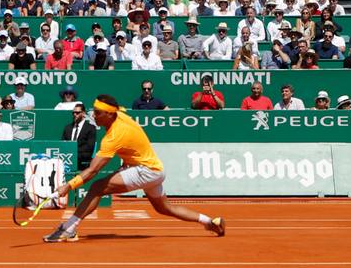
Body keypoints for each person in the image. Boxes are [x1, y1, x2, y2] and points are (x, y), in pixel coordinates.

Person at [45, 95, 224, 242]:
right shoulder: (120, 114)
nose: (93, 115)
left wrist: (68, 186)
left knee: (97, 187)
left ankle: (68, 228)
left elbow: (93, 170)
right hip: (155, 170)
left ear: (108, 115)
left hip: (146, 171)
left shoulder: (114, 136)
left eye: (98, 113)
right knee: (164, 208)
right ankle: (210, 222)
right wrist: (127, 161)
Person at [63, 102, 97, 169]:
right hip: (68, 161)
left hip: (83, 162)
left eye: (77, 113)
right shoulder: (67, 128)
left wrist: (74, 152)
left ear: (83, 113)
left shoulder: (90, 128)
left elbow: (89, 147)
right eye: (73, 113)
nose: (75, 114)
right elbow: (63, 143)